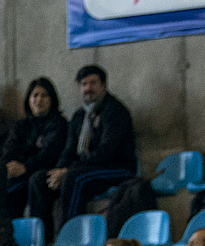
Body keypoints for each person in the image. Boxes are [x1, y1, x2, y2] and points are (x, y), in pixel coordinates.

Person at [32, 65, 136, 230]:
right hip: (85, 168)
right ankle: (43, 238)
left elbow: (106, 152)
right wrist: (58, 170)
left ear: (103, 85)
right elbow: (69, 150)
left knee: (74, 177)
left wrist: (68, 171)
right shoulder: (79, 116)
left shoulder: (115, 111)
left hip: (118, 168)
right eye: (84, 84)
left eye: (93, 83)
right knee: (38, 180)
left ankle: (69, 235)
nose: (88, 88)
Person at [0, 77, 67, 217]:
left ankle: (41, 233)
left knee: (34, 181)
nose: (39, 100)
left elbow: (49, 153)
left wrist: (25, 167)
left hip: (43, 170)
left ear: (52, 99)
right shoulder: (20, 125)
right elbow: (9, 149)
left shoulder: (58, 124)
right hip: (20, 172)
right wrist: (10, 165)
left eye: (44, 95)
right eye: (35, 95)